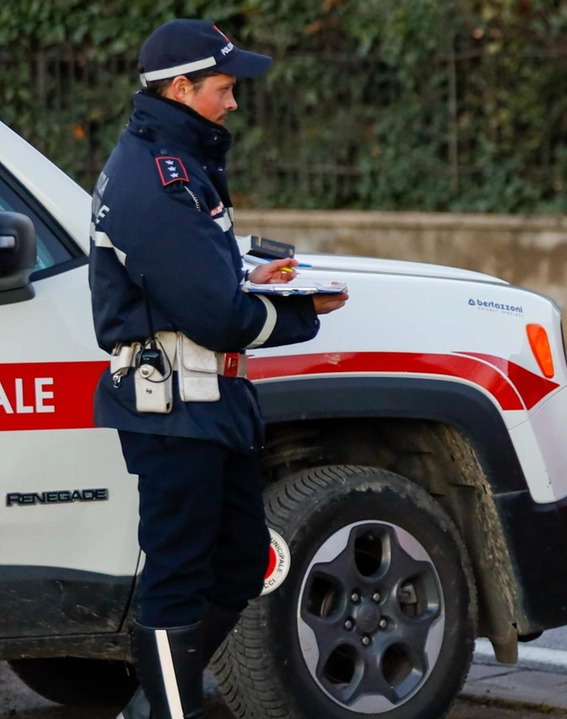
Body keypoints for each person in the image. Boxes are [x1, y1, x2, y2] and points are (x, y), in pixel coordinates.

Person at [88, 19, 348, 719]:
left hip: (206, 403)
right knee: (177, 579)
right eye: (223, 88)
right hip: (174, 406)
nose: (233, 103)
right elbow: (216, 315)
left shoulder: (175, 162)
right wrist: (304, 311)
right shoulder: (156, 178)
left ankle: (156, 700)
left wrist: (253, 271)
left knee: (238, 563)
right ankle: (170, 708)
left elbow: (202, 276)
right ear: (180, 89)